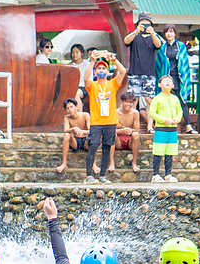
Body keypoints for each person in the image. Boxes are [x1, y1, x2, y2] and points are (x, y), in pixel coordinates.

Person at [83, 52, 127, 184]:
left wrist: (114, 60)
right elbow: (85, 78)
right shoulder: (92, 85)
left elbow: (123, 72)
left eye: (104, 69)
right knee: (94, 145)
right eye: (99, 69)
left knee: (107, 147)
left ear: (108, 71)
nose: (101, 71)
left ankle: (103, 175)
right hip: (96, 121)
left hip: (110, 121)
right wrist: (92, 62)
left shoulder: (112, 84)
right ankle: (88, 175)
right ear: (95, 72)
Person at [123, 13, 162, 130]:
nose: (145, 25)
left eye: (147, 23)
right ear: (138, 24)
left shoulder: (153, 36)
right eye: (142, 23)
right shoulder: (134, 36)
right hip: (134, 71)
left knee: (149, 100)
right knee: (133, 100)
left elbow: (158, 44)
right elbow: (126, 41)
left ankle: (150, 126)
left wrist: (153, 33)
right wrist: (136, 32)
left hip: (149, 73)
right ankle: (134, 126)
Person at [156, 24, 194, 134]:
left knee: (182, 100)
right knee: (162, 99)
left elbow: (184, 60)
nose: (170, 34)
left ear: (175, 33)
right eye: (167, 32)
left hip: (179, 77)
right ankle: (162, 125)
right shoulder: (163, 47)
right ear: (164, 34)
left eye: (172, 31)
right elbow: (159, 64)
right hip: (166, 76)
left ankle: (188, 126)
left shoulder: (181, 46)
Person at [148, 75, 182, 183]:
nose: (167, 83)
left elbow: (180, 111)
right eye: (165, 81)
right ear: (159, 84)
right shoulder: (157, 98)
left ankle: (168, 174)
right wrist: (163, 120)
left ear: (173, 85)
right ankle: (155, 174)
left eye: (170, 81)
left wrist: (178, 119)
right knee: (158, 151)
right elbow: (152, 113)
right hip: (161, 129)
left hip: (173, 130)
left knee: (169, 152)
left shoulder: (175, 98)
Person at [55, 98, 90, 174]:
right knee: (67, 136)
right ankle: (64, 163)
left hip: (86, 142)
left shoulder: (85, 115)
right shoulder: (67, 117)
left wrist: (81, 131)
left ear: (76, 107)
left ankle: (93, 164)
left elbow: (91, 131)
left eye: (71, 107)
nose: (70, 110)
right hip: (75, 143)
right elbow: (65, 130)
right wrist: (74, 129)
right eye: (67, 108)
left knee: (92, 136)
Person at [113, 92, 141, 173]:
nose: (128, 104)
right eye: (126, 102)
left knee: (136, 135)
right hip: (118, 140)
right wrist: (122, 130)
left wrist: (126, 129)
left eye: (131, 102)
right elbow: (111, 129)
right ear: (121, 101)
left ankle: (134, 162)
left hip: (129, 140)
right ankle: (111, 162)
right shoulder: (115, 112)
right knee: (112, 134)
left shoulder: (135, 113)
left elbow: (136, 130)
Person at [69, 44, 89, 112]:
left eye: (77, 52)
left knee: (76, 94)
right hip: (72, 87)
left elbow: (89, 78)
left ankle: (80, 115)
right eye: (73, 52)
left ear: (82, 53)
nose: (74, 54)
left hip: (83, 87)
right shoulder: (70, 65)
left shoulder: (86, 64)